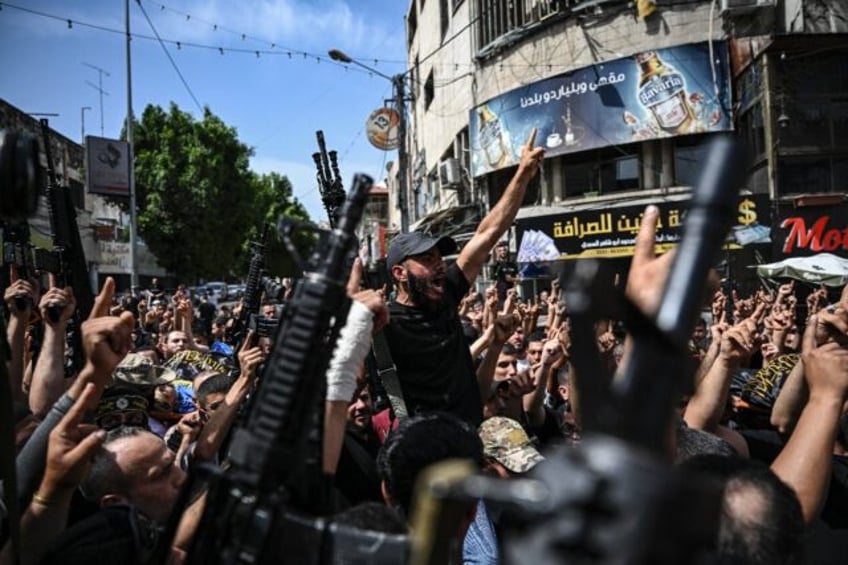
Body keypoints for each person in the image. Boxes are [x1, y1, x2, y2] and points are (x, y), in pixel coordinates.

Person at [383, 132, 544, 424]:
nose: (440, 266)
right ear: (399, 273)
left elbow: (486, 234)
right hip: (422, 451)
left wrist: (522, 174)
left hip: (469, 440)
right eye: (426, 259)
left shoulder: (446, 295)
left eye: (439, 257)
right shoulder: (383, 324)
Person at [490, 241, 519, 305]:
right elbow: (493, 281)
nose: (503, 252)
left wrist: (511, 280)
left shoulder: (512, 264)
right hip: (500, 294)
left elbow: (518, 279)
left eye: (504, 250)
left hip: (510, 293)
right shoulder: (496, 265)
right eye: (500, 251)